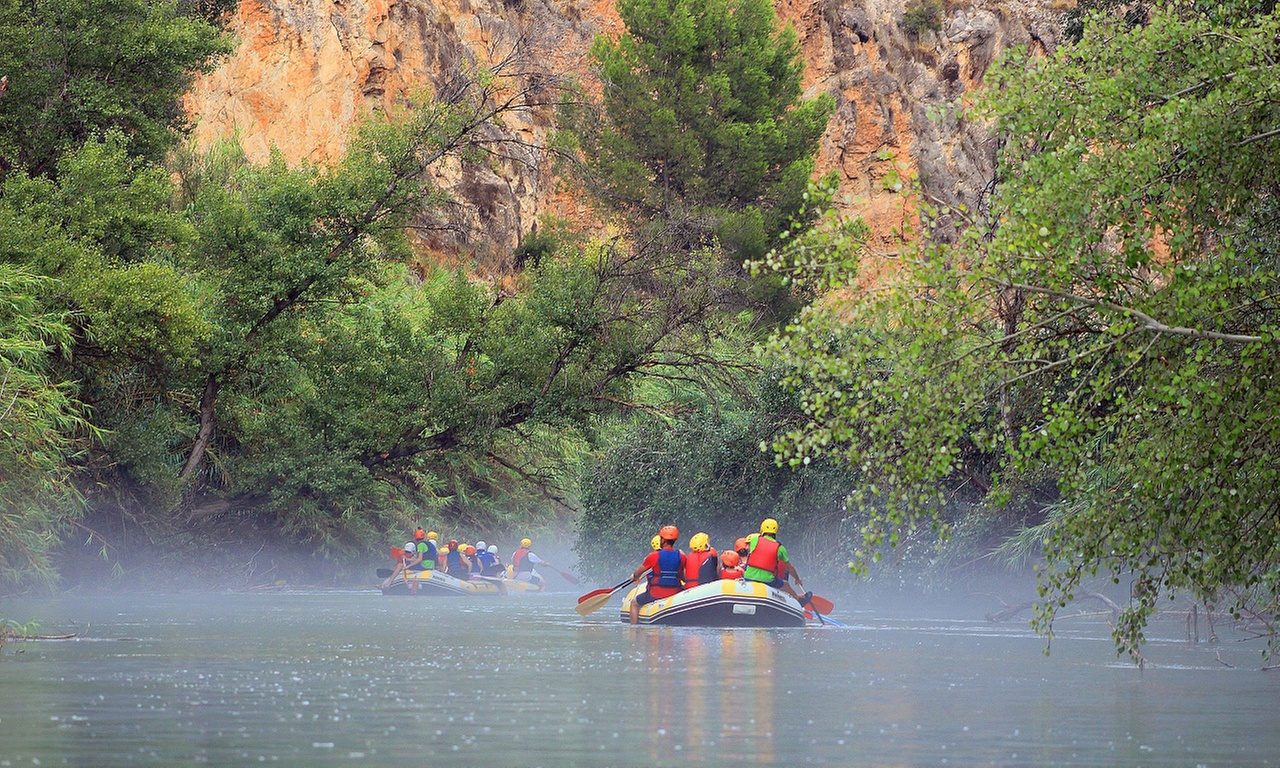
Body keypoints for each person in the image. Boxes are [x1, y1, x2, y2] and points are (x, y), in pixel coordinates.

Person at [628, 525, 686, 624]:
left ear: (663, 540)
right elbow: (682, 577)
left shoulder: (653, 556)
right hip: (675, 593)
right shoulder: (682, 556)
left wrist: (634, 577)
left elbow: (638, 573)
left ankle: (634, 630)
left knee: (634, 603)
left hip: (655, 594)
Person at [743, 518, 808, 605]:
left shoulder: (754, 540)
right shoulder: (780, 548)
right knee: (785, 584)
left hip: (748, 577)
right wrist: (797, 579)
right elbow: (790, 568)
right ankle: (799, 601)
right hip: (767, 580)